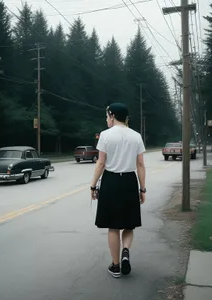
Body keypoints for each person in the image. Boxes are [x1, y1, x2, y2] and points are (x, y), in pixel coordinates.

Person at [90, 102, 146, 278]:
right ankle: (126, 252)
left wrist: (93, 185)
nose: (106, 119)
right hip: (129, 181)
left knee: (113, 226)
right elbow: (140, 164)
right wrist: (142, 189)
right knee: (129, 224)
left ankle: (115, 266)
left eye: (107, 115)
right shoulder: (136, 136)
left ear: (113, 115)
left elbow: (100, 163)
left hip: (111, 182)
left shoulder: (106, 136)